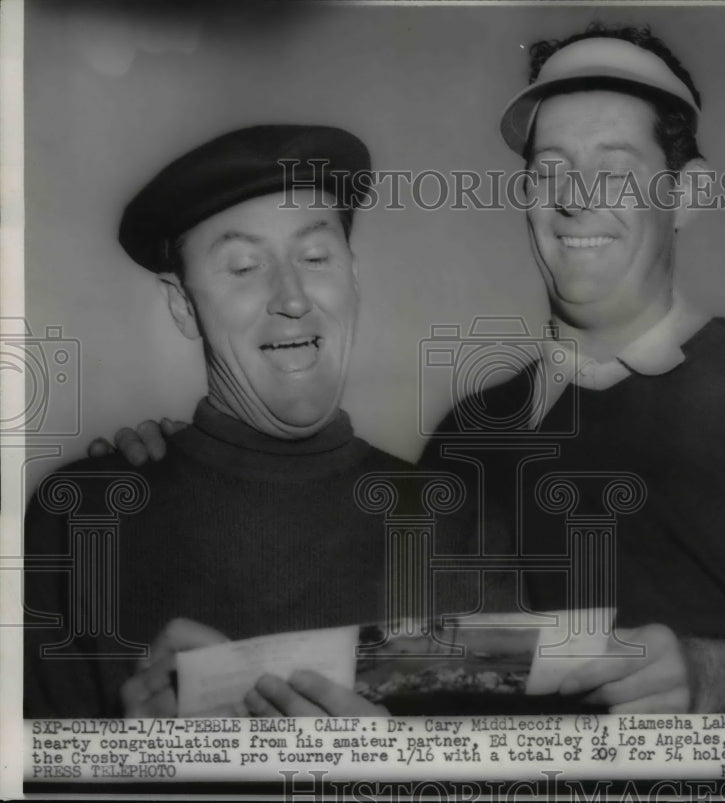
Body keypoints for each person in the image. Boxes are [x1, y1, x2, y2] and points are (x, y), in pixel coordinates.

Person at [88, 25, 725, 714]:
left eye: (616, 169)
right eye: (549, 170)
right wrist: (187, 464)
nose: (575, 198)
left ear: (689, 194)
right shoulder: (464, 442)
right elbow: (419, 674)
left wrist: (722, 670)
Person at [23, 125, 449, 718]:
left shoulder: (460, 521)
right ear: (182, 304)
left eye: (316, 256)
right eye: (244, 267)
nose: (293, 297)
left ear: (353, 275)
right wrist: (130, 763)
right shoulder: (79, 521)